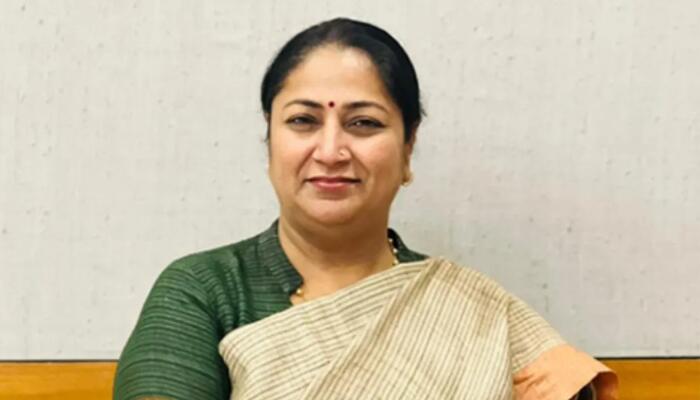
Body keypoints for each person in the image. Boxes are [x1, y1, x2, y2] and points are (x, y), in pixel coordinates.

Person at [114, 17, 617, 400]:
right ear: (270, 142)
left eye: (364, 124)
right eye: (303, 120)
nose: (331, 151)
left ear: (408, 149)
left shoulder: (477, 311)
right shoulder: (205, 291)